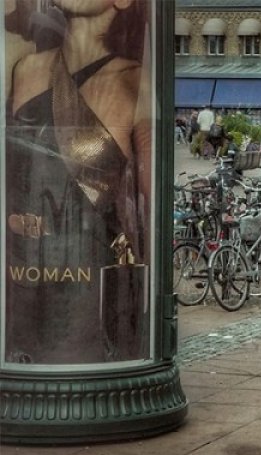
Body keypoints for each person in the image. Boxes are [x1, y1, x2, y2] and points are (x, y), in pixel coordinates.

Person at [5, 0, 152, 364]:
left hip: (92, 276)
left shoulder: (135, 82)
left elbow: (151, 200)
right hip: (22, 266)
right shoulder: (25, 68)